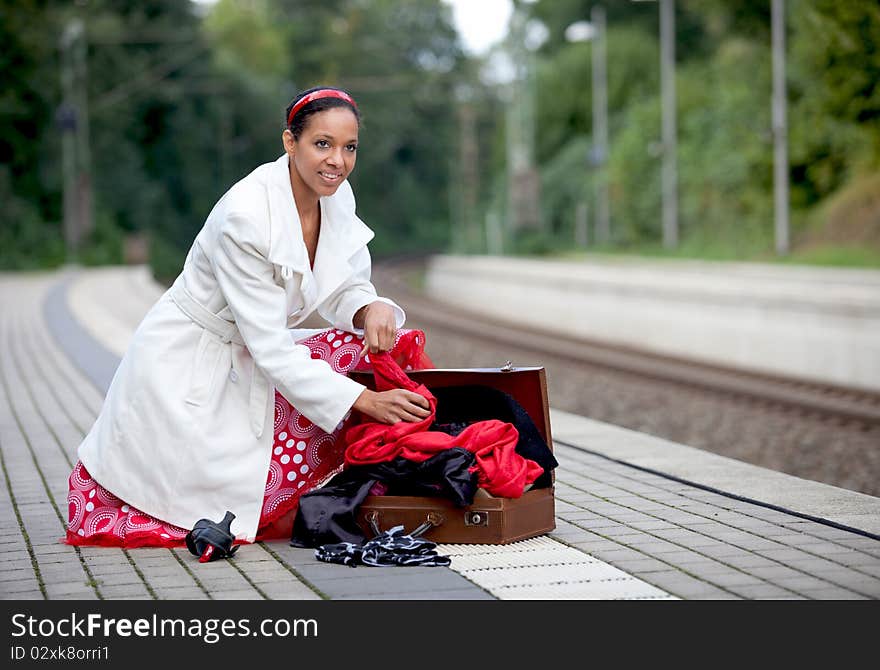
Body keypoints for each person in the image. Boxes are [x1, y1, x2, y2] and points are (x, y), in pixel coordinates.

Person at [66, 86, 432, 547]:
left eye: (349, 147)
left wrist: (369, 306)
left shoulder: (335, 195)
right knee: (193, 499)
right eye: (323, 144)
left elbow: (341, 283)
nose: (337, 161)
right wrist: (363, 399)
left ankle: (370, 483)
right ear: (289, 142)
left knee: (383, 345)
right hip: (193, 360)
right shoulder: (245, 216)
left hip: (258, 350)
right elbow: (271, 347)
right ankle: (257, 491)